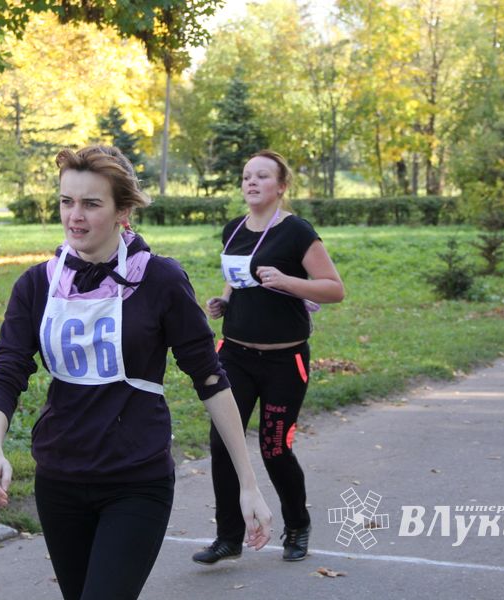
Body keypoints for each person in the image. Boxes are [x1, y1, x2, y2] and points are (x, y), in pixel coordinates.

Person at [0, 145, 272, 599]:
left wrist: (247, 485)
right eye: (66, 202)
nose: (75, 216)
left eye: (91, 204)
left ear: (122, 211)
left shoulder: (161, 280)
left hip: (136, 480)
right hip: (60, 477)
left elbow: (210, 379)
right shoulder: (37, 284)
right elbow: (6, 373)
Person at [193, 150, 345, 565]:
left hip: (284, 360)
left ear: (281, 186)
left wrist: (289, 281)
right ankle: (229, 537)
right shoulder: (234, 228)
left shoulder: (297, 232)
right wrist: (223, 300)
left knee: (274, 448)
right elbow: (236, 276)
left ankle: (297, 524)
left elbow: (334, 288)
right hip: (235, 356)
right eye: (246, 176)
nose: (252, 182)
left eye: (262, 176)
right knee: (224, 442)